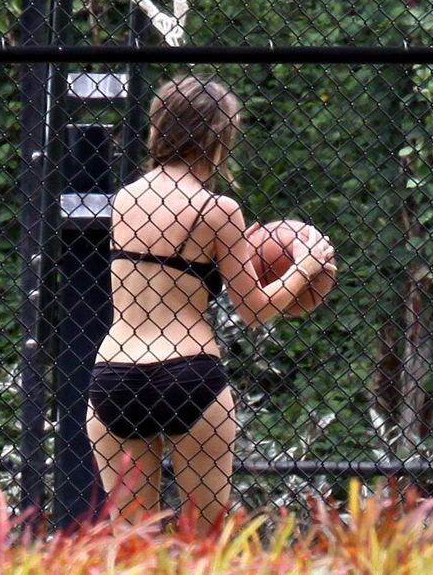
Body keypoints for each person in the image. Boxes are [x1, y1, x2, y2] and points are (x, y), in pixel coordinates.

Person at [86, 74, 336, 534]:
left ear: (160, 126)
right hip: (188, 372)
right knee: (206, 541)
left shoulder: (124, 199)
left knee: (130, 542)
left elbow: (160, 276)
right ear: (219, 136)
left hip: (116, 374)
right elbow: (254, 309)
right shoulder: (218, 210)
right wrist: (304, 266)